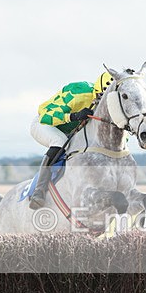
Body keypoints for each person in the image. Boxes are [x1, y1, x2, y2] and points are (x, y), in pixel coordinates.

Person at [28, 71, 114, 209]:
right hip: (45, 124)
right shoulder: (79, 91)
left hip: (71, 133)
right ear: (98, 91)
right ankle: (39, 191)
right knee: (60, 141)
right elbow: (45, 116)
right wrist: (73, 116)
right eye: (99, 98)